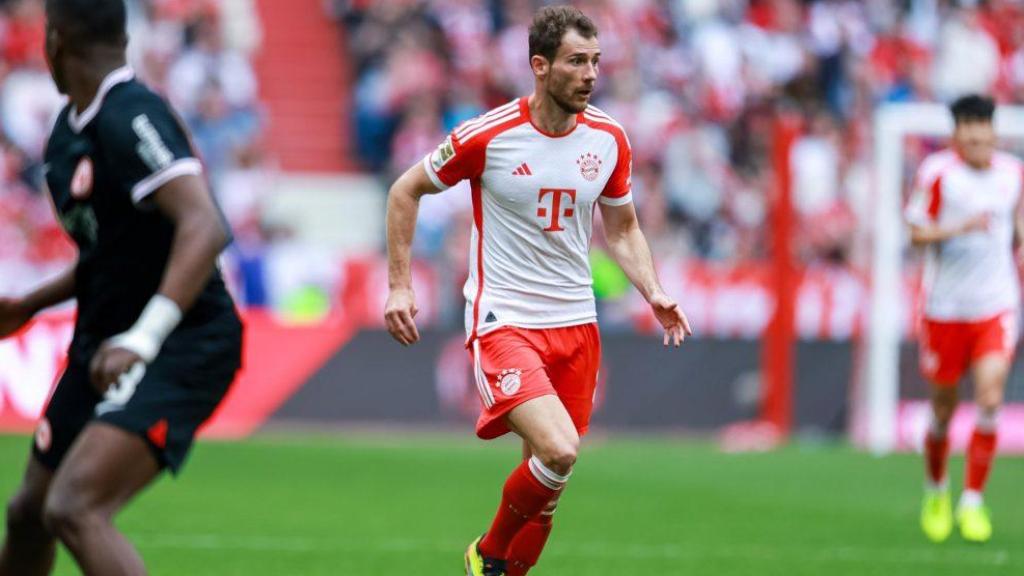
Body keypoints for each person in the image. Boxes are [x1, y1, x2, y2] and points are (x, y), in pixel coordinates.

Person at [383, 6, 691, 575]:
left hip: (577, 324)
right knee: (559, 450)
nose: (591, 74)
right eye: (577, 61)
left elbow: (622, 227)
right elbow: (405, 190)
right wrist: (399, 287)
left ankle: (501, 566)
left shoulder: (610, 139)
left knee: (549, 488)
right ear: (540, 66)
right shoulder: (490, 135)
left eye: (596, 61)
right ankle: (487, 555)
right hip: (507, 320)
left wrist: (653, 289)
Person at [0, 1, 243, 574]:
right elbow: (107, 256)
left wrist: (145, 335)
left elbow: (205, 226)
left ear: (54, 43)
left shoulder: (131, 115)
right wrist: (29, 305)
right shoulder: (68, 133)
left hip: (179, 342)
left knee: (75, 507)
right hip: (103, 343)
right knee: (29, 511)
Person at [906, 94, 1021, 544]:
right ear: (956, 134)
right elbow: (916, 232)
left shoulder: (1013, 174)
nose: (976, 136)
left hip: (996, 304)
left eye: (983, 127)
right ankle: (936, 490)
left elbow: (1018, 228)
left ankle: (973, 500)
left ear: (993, 131)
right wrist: (959, 228)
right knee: (942, 409)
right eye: (968, 128)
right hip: (945, 308)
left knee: (990, 397)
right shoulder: (938, 174)